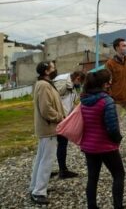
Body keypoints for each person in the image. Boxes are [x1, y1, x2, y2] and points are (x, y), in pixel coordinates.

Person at [80, 69, 125, 208]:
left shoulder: (84, 100)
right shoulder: (107, 101)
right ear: (105, 84)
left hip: (89, 146)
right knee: (119, 174)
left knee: (92, 177)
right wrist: (117, 139)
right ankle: (118, 206)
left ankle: (92, 206)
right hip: (106, 145)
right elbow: (112, 127)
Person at [29, 61, 65, 205]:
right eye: (52, 67)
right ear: (46, 71)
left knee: (40, 159)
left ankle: (34, 187)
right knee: (47, 160)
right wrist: (60, 118)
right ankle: (39, 192)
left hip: (47, 127)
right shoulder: (44, 86)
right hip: (49, 127)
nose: (55, 69)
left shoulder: (44, 84)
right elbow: (46, 109)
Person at [53, 71, 85, 179]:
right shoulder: (62, 82)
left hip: (64, 116)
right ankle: (62, 170)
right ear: (77, 77)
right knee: (59, 143)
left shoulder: (71, 84)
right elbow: (53, 99)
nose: (79, 84)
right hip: (58, 117)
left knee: (61, 143)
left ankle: (58, 169)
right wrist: (58, 116)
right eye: (80, 81)